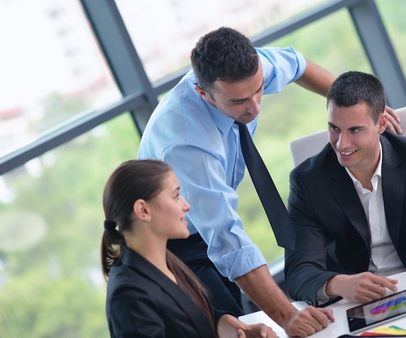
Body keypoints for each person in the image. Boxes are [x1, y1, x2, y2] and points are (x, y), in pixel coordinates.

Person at [140, 26, 392, 336]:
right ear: (203, 93)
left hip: (203, 223)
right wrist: (287, 316)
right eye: (239, 102)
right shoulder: (187, 144)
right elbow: (228, 240)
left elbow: (298, 64)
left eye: (259, 90)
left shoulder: (251, 66)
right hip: (172, 242)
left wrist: (362, 112)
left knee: (241, 322)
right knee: (226, 324)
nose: (255, 107)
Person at [284, 71, 406, 306]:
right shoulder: (307, 182)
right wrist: (338, 283)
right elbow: (299, 272)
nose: (341, 144)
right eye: (334, 128)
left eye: (355, 130)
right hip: (356, 303)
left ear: (382, 124)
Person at [101, 159, 276, 338]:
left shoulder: (169, 263)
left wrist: (240, 331)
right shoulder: (128, 296)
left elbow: (203, 318)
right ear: (143, 210)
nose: (187, 206)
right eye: (176, 196)